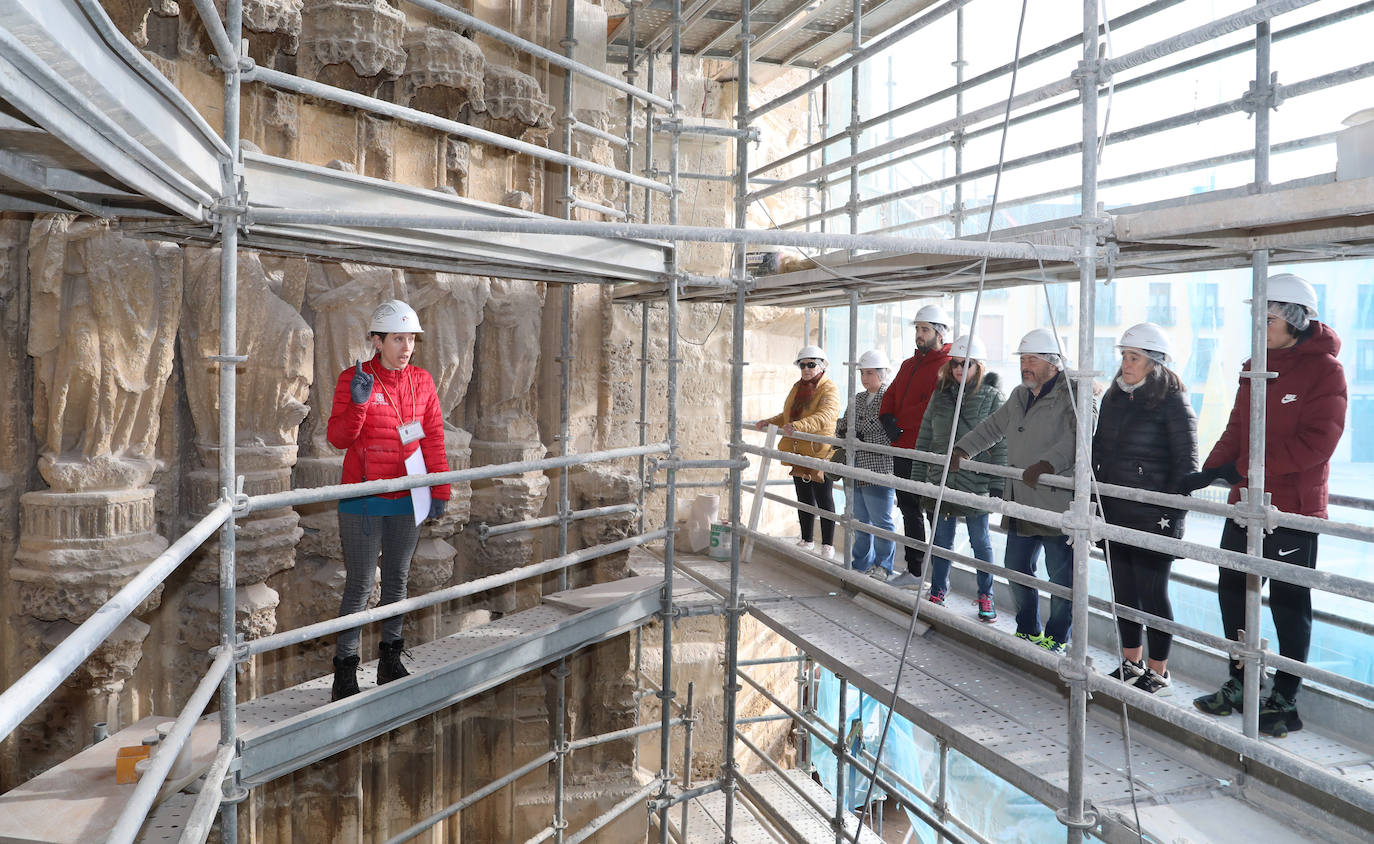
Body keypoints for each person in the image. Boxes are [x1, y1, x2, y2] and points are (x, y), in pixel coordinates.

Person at [1183, 274, 1346, 736]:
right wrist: (1209, 472)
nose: (1261, 326)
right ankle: (1241, 680)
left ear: (1295, 319)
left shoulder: (1326, 371)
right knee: (1232, 589)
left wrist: (1246, 471)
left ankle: (1285, 699)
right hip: (1245, 504)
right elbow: (1238, 429)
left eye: (1269, 318)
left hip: (1292, 510)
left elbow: (1317, 445)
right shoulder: (1255, 365)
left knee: (1289, 602)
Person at [326, 299, 451, 701]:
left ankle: (389, 660)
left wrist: (440, 488)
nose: (407, 347)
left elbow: (432, 437)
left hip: (407, 495)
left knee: (398, 579)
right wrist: (360, 403)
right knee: (361, 583)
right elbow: (339, 438)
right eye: (398, 339)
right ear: (377, 341)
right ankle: (345, 670)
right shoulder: (355, 378)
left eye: (411, 339)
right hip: (363, 497)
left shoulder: (422, 381)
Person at [952, 328, 1081, 654]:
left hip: (1057, 504)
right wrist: (963, 449)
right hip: (1022, 499)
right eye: (1023, 359)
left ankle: (1057, 637)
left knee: (1060, 576)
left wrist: (1047, 464)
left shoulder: (1073, 394)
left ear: (1053, 363)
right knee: (1016, 566)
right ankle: (1028, 628)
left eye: (1032, 359)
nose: (1026, 365)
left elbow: (1080, 437)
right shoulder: (1020, 395)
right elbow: (993, 427)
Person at [1091, 323, 1198, 696]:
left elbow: (1187, 464)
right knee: (1124, 593)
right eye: (1123, 356)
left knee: (1153, 594)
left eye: (1133, 357)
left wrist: (1173, 515)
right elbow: (1098, 450)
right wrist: (1094, 498)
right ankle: (1132, 663)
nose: (1126, 364)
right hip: (1117, 511)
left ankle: (1160, 671)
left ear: (1154, 362)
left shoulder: (1173, 400)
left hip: (1155, 517)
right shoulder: (1114, 398)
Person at [913, 335, 1006, 621]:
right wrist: (918, 477)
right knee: (941, 539)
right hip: (940, 476)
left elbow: (1002, 441)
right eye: (955, 363)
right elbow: (926, 435)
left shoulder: (992, 397)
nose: (959, 369)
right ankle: (939, 589)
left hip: (974, 479)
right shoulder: (939, 394)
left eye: (967, 364)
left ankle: (986, 594)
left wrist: (997, 483)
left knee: (980, 541)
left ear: (979, 366)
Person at [879, 304, 952, 586]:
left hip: (927, 452)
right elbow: (893, 392)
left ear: (940, 333)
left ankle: (940, 579)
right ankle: (915, 570)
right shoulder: (908, 365)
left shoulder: (947, 367)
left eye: (925, 330)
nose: (919, 335)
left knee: (935, 513)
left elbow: (931, 407)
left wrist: (899, 422)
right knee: (909, 509)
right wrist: (886, 416)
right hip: (902, 448)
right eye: (918, 330)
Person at [757, 344, 842, 560]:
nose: (806, 369)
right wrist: (771, 422)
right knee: (803, 496)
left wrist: (799, 427)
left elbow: (826, 415)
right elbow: (789, 417)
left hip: (819, 451)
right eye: (802, 365)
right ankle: (807, 539)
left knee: (824, 498)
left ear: (821, 366)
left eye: (811, 364)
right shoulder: (798, 387)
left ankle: (828, 544)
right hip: (799, 451)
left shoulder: (829, 389)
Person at [836, 349, 897, 577]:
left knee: (881, 521)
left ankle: (884, 565)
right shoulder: (858, 398)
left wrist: (858, 435)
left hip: (878, 467)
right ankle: (861, 562)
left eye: (869, 373)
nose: (864, 378)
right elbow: (842, 424)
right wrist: (849, 432)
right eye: (862, 373)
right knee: (860, 519)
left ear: (881, 374)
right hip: (855, 465)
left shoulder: (889, 396)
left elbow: (887, 433)